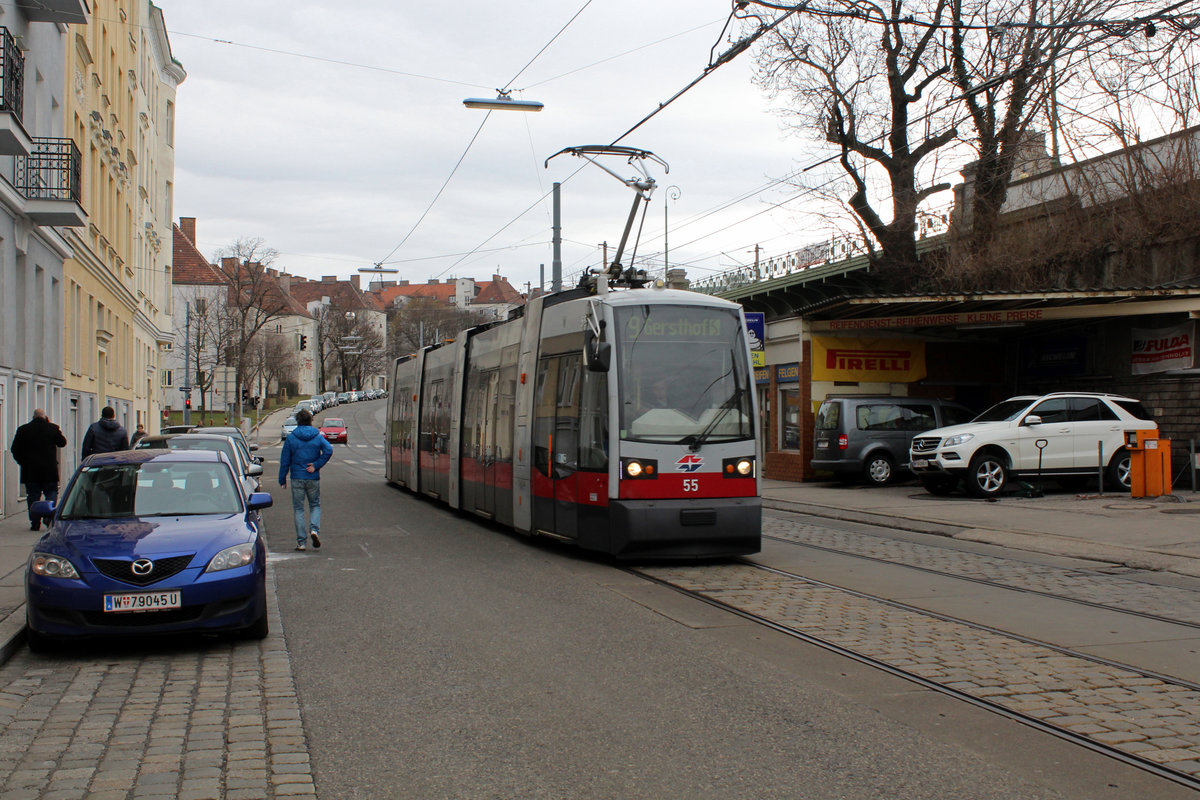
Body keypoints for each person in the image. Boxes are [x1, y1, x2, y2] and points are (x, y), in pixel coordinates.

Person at [279, 408, 333, 551]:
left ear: (297, 421)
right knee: (315, 505)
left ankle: (301, 542)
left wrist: (282, 478)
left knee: (298, 509)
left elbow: (285, 460)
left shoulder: (291, 438)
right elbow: (328, 450)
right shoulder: (318, 436)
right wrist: (316, 465)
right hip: (312, 477)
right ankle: (314, 529)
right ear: (310, 421)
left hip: (297, 477)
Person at [10, 409, 67, 531]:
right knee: (51, 492)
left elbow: (14, 449)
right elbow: (62, 443)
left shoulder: (23, 430)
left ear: (33, 417)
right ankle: (48, 515)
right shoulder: (52, 428)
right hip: (49, 469)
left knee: (33, 495)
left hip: (30, 470)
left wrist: (22, 462)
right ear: (44, 417)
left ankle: (35, 521)